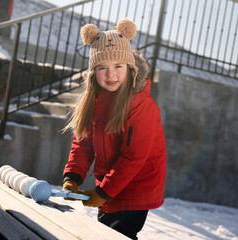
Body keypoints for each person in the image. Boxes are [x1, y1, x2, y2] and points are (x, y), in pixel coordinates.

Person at [62, 18, 167, 240]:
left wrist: (103, 192)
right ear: (93, 73)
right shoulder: (98, 100)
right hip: (111, 184)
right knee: (104, 232)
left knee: (117, 235)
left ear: (129, 69)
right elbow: (84, 142)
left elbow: (134, 157)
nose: (111, 75)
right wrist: (73, 176)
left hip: (137, 185)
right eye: (102, 68)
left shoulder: (140, 104)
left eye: (118, 66)